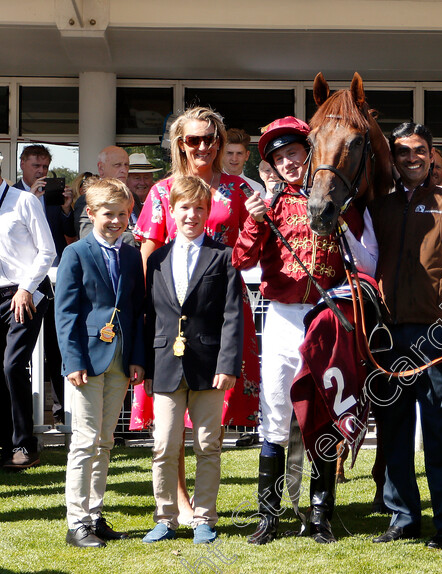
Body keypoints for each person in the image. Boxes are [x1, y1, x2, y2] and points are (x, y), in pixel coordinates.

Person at [234, 116, 378, 545]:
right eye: (279, 158)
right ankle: (268, 516)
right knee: (276, 413)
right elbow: (241, 261)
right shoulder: (269, 205)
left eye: (294, 153)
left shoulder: (340, 202)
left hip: (325, 318)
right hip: (280, 316)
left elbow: (365, 259)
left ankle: (321, 516)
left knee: (323, 412)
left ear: (309, 153)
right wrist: (255, 219)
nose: (288, 162)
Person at [131, 106, 261, 525]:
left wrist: (260, 222)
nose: (203, 147)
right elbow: (149, 251)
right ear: (179, 144)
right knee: (171, 421)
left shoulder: (241, 190)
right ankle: (179, 499)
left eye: (211, 139)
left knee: (210, 412)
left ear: (222, 143)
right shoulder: (161, 191)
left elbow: (249, 250)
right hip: (173, 313)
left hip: (220, 308)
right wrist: (151, 313)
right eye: (193, 139)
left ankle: (205, 502)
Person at [368, 122, 442, 550]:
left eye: (419, 150)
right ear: (394, 159)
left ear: (432, 155)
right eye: (402, 152)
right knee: (393, 431)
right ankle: (403, 518)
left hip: (438, 334)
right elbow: (368, 259)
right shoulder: (378, 206)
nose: (411, 158)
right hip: (389, 334)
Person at [142, 175, 243, 545]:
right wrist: (147, 367)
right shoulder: (156, 260)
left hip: (210, 365)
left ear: (208, 212)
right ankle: (166, 517)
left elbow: (233, 315)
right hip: (166, 363)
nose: (192, 215)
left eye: (199, 208)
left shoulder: (224, 256)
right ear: (172, 212)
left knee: (207, 445)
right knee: (165, 445)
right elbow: (148, 316)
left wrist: (228, 364)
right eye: (184, 207)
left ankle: (204, 517)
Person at [55, 178, 145, 548]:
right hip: (88, 361)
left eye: (123, 214)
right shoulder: (75, 253)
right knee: (85, 440)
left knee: (105, 441)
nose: (117, 221)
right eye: (109, 214)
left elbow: (137, 311)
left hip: (121, 360)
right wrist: (72, 360)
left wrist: (138, 358)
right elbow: (66, 313)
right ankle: (76, 521)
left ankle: (94, 514)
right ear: (90, 214)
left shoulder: (129, 254)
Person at [0, 144, 56, 469]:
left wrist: (26, 289)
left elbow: (47, 251)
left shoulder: (25, 201)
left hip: (26, 293)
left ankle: (25, 446)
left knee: (12, 366)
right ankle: (7, 445)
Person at [13, 144, 74, 425]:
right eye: (36, 165)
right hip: (21, 283)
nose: (41, 171)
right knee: (19, 352)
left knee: (55, 346)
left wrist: (65, 209)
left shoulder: (51, 196)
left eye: (45, 167)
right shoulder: (11, 195)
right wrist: (28, 196)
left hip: (53, 280)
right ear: (22, 164)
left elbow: (66, 234)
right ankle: (22, 416)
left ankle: (62, 413)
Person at [75, 146, 131, 240]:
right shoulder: (88, 199)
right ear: (101, 168)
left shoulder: (133, 198)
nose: (124, 170)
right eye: (117, 165)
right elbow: (89, 237)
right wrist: (132, 238)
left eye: (126, 165)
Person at [224, 128, 265, 194]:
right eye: (229, 153)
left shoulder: (257, 189)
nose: (234, 159)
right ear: (221, 155)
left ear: (247, 155)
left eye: (239, 153)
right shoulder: (211, 184)